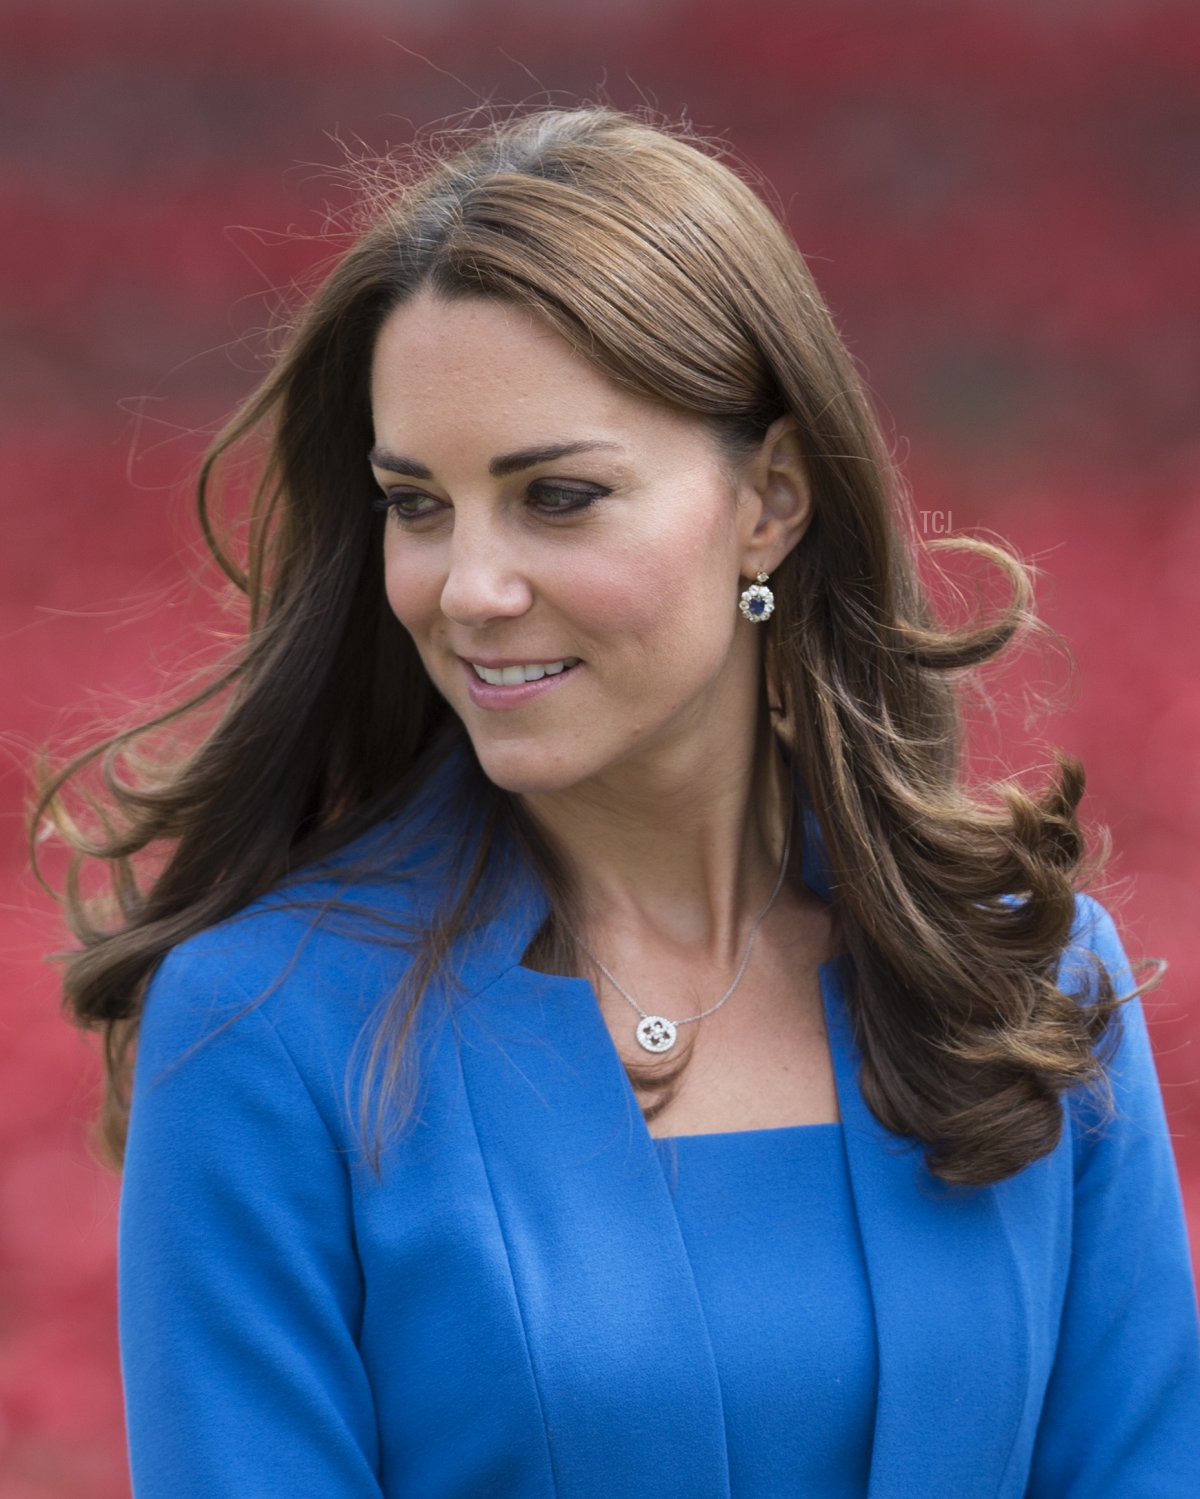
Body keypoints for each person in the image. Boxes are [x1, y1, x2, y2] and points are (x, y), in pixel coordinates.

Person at [32, 105, 1200, 1497]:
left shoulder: (1019, 977)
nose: (468, 588)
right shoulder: (267, 1034)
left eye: (559, 497)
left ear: (769, 499)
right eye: (419, 505)